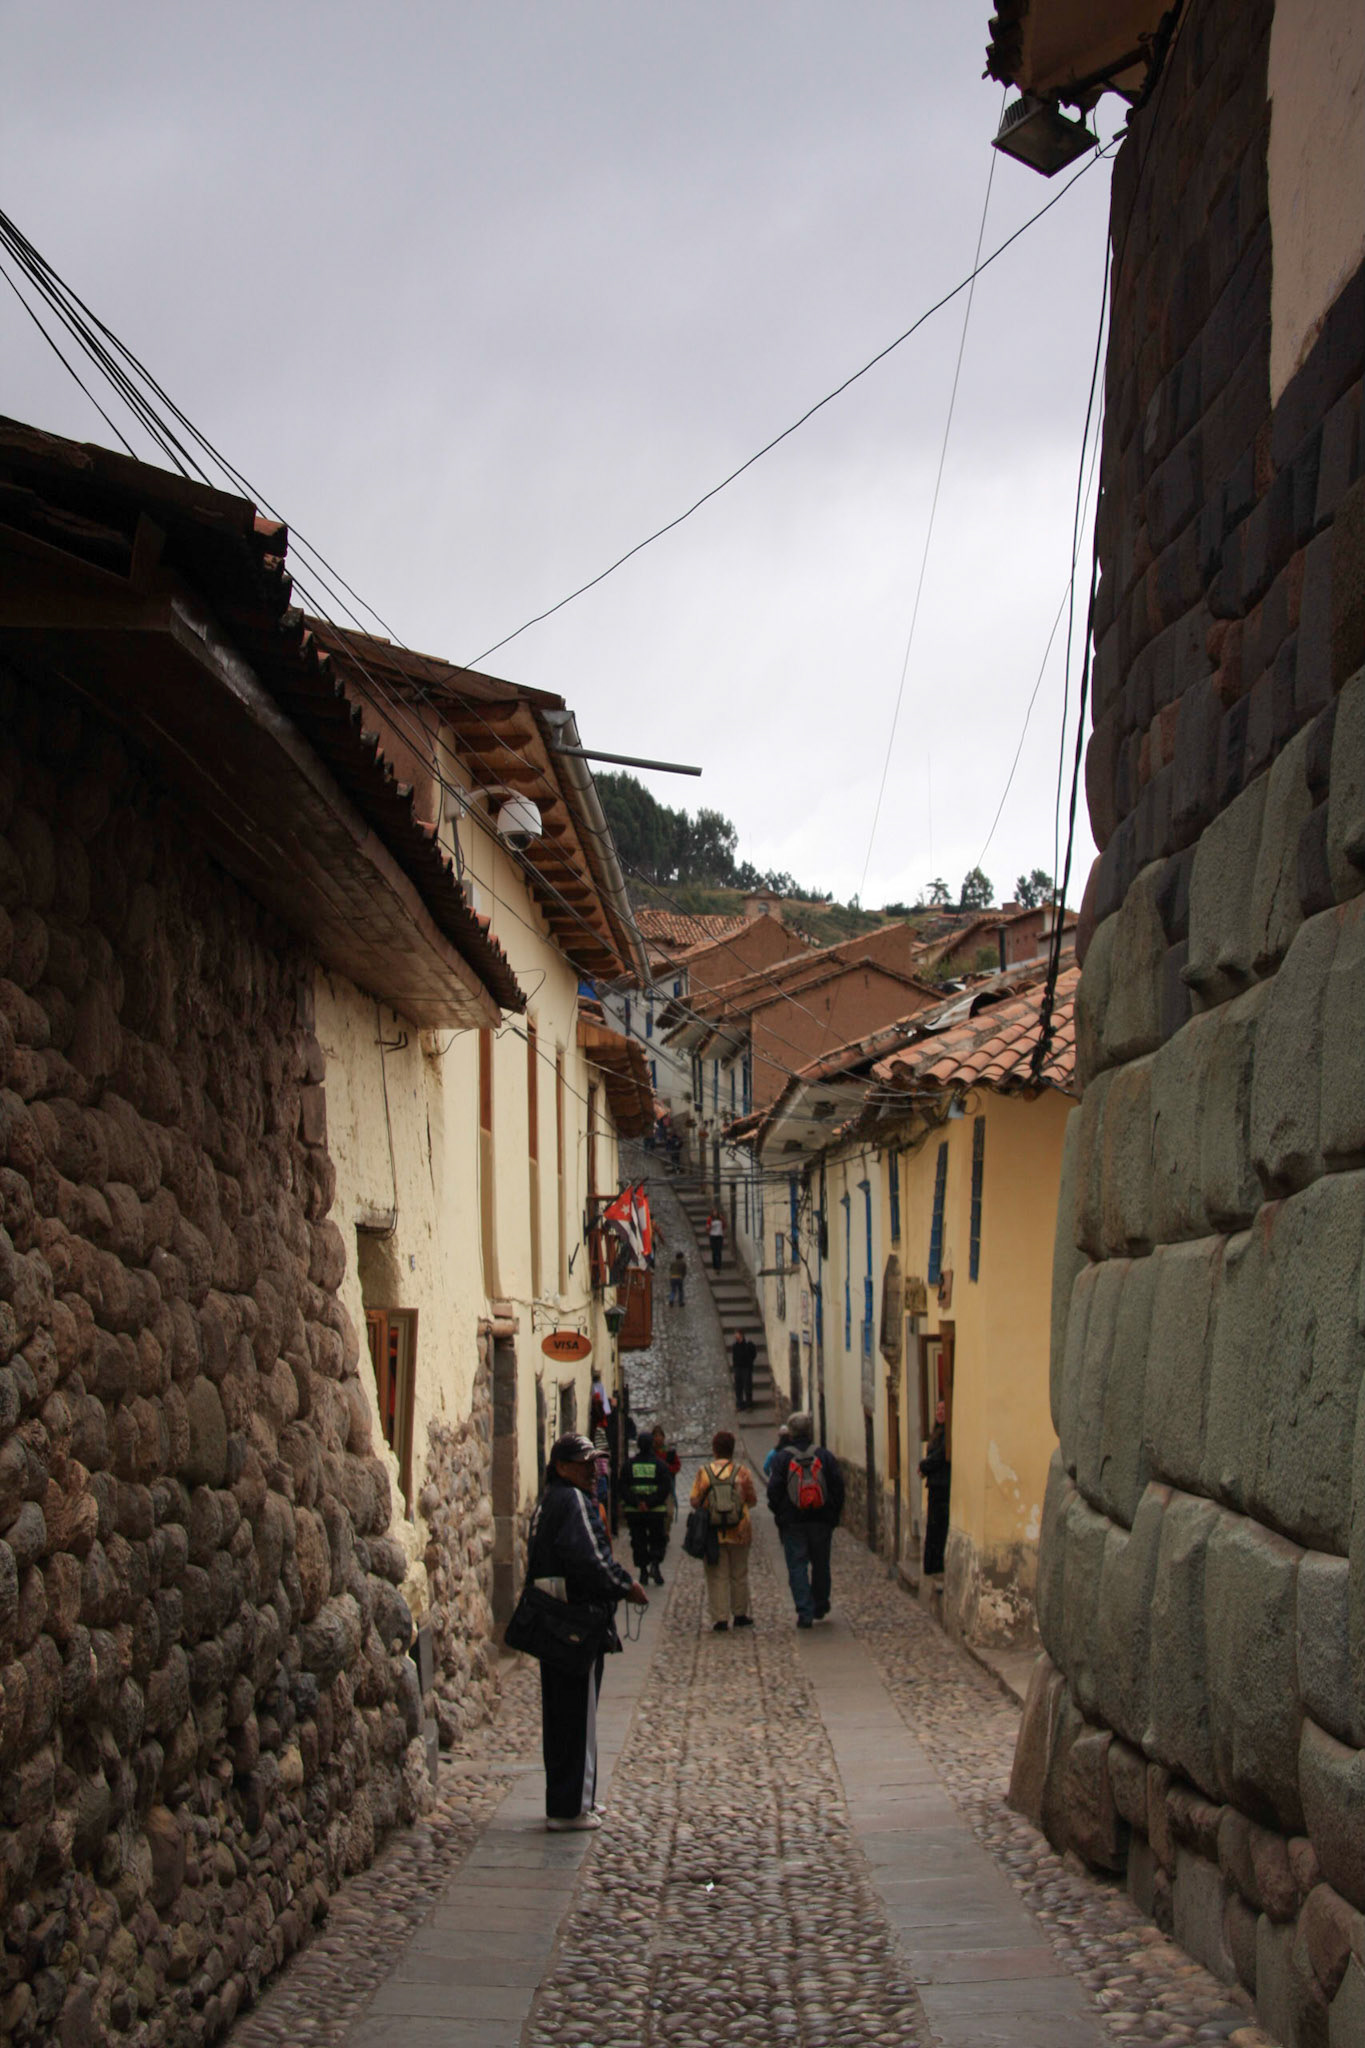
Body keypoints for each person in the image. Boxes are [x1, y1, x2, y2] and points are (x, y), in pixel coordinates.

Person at [526, 1432, 648, 1830]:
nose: (593, 1471)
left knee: (564, 1716)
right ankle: (571, 1807)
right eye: (584, 1464)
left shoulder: (549, 1502)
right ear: (562, 1467)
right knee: (578, 1716)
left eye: (593, 1463)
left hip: (554, 1622)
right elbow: (590, 1559)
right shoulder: (573, 1501)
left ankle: (575, 1798)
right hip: (574, 1624)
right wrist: (624, 1585)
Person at [767, 1410, 844, 1629]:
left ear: (790, 1433)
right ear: (810, 1431)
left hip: (793, 1521)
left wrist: (781, 1515)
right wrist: (832, 1515)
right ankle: (820, 1604)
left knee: (797, 1566)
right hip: (821, 1519)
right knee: (821, 1564)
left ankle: (804, 1611)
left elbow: (773, 1491)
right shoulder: (824, 1456)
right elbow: (838, 1487)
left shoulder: (782, 1459)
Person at [690, 1429, 758, 1632]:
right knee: (739, 1573)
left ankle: (720, 1618)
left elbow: (694, 1500)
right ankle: (740, 1614)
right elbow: (752, 1499)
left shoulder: (704, 1472)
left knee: (717, 1575)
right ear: (732, 1449)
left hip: (713, 1532)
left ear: (714, 1449)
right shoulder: (742, 1472)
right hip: (740, 1530)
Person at [620, 1426, 671, 1585]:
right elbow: (664, 1488)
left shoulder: (628, 1465)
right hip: (655, 1511)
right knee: (657, 1539)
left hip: (634, 1511)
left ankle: (643, 1570)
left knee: (638, 1540)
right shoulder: (660, 1465)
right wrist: (650, 1503)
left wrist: (637, 1503)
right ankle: (655, 1565)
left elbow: (623, 1488)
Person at [919, 1401, 951, 1578]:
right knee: (933, 1526)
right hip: (935, 1484)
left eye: (943, 1409)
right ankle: (931, 1567)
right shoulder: (936, 1432)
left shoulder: (947, 1433)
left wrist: (924, 1466)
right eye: (938, 1409)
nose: (940, 1412)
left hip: (942, 1485)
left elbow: (941, 1455)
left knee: (938, 1527)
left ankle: (936, 1566)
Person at [730, 1328, 757, 1410]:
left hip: (746, 1368)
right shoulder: (735, 1346)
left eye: (736, 1334)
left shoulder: (748, 1345)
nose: (735, 1335)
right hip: (738, 1368)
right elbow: (734, 1357)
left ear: (741, 1334)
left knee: (747, 1386)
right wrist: (735, 1367)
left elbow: (753, 1354)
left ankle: (749, 1405)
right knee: (738, 1387)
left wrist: (749, 1362)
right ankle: (740, 1404)